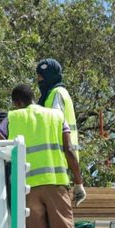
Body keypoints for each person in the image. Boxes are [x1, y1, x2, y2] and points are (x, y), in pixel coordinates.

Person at [4, 83, 83, 228]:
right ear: (33, 98)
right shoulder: (57, 116)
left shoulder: (12, 118)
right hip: (55, 185)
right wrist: (78, 182)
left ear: (17, 103)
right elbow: (69, 149)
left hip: (28, 188)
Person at [35, 58, 86, 207]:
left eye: (41, 77)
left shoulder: (57, 94)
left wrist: (78, 181)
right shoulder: (51, 95)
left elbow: (58, 128)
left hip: (56, 165)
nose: (39, 81)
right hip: (56, 165)